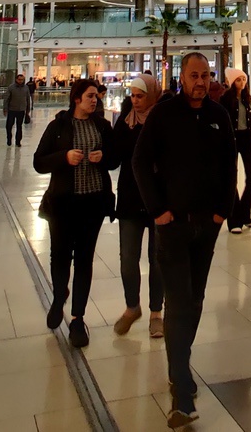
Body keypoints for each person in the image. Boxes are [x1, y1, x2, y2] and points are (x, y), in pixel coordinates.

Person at [132, 52, 236, 429]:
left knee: (194, 300)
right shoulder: (164, 114)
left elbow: (229, 165)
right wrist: (158, 210)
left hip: (206, 226)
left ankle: (179, 366)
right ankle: (182, 390)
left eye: (206, 75)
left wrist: (223, 211)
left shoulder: (218, 115)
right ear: (182, 77)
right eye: (194, 75)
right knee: (177, 302)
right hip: (173, 226)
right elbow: (140, 162)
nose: (201, 82)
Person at [34, 78, 118, 349]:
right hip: (63, 204)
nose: (95, 100)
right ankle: (60, 295)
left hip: (92, 204)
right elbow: (39, 162)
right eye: (90, 96)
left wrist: (103, 157)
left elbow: (115, 159)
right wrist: (64, 157)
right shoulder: (59, 126)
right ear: (77, 98)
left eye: (96, 96)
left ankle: (77, 318)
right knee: (59, 256)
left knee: (84, 260)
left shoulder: (102, 126)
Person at [110, 74, 164, 338]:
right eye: (132, 95)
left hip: (158, 199)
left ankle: (156, 313)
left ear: (152, 95)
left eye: (140, 96)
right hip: (130, 199)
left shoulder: (162, 121)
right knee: (128, 259)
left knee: (158, 259)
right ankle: (132, 306)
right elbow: (114, 156)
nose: (135, 100)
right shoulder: (126, 121)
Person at [222, 68, 251, 234]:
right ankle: (234, 220)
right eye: (238, 80)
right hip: (231, 142)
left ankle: (244, 215)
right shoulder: (226, 99)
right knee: (231, 179)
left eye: (243, 79)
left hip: (246, 141)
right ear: (232, 82)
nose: (242, 82)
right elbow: (223, 122)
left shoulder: (248, 99)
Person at [4, 73, 32, 147]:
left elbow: (28, 99)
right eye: (19, 79)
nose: (20, 81)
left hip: (21, 110)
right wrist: (5, 108)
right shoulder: (11, 87)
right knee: (9, 126)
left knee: (19, 126)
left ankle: (18, 141)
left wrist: (28, 109)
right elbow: (6, 99)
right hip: (12, 110)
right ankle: (9, 139)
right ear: (16, 79)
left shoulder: (26, 88)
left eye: (22, 80)